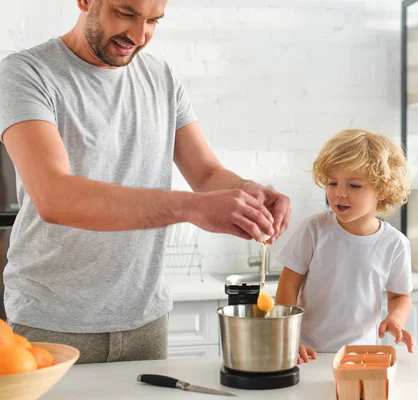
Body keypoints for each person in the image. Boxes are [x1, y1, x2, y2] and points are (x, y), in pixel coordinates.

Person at [0, 0, 290, 363]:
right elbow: (55, 197)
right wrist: (190, 208)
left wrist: (249, 190)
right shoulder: (26, 73)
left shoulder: (162, 79)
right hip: (52, 324)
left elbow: (205, 173)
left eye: (153, 20)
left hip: (145, 322)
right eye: (125, 13)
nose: (139, 35)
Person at [275, 129, 414, 363]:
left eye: (354, 186)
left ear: (382, 190)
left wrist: (395, 319)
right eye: (332, 183)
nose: (339, 193)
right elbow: (288, 286)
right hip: (307, 353)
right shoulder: (314, 229)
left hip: (361, 355)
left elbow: (400, 296)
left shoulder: (395, 243)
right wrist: (289, 337)